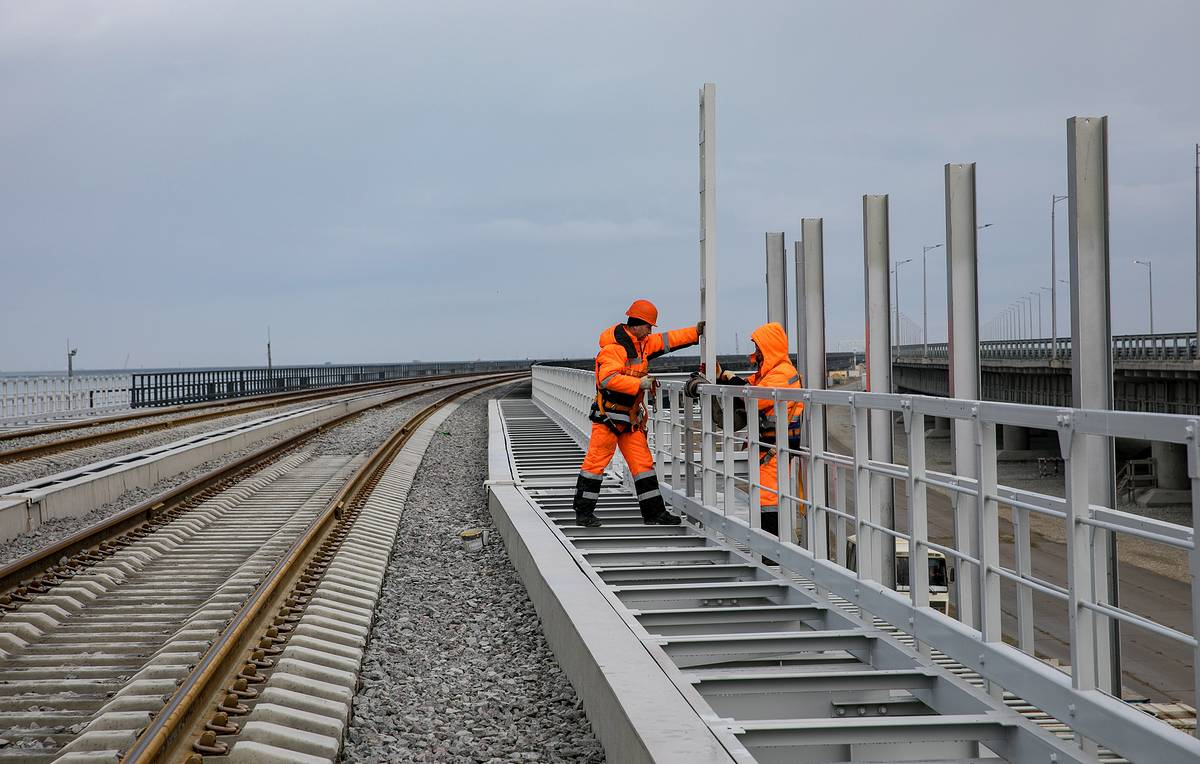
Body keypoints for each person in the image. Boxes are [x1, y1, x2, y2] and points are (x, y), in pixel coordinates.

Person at [572, 299, 703, 527]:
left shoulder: (643, 343)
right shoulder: (614, 348)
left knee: (643, 466)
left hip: (630, 420)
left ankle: (655, 514)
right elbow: (607, 379)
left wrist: (696, 332)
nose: (651, 331)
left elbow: (669, 339)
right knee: (595, 465)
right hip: (608, 419)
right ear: (637, 324)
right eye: (649, 327)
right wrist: (639, 384)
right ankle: (583, 514)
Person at [708, 322, 804, 542]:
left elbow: (753, 396)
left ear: (769, 347)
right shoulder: (771, 373)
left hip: (775, 448)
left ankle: (771, 547)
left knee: (767, 497)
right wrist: (723, 375)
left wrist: (730, 378)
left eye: (759, 348)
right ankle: (771, 544)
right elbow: (748, 385)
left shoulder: (782, 374)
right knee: (764, 495)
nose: (756, 352)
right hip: (770, 446)